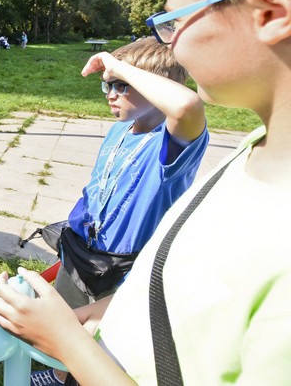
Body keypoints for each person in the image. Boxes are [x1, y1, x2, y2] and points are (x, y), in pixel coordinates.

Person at [0, 0, 291, 384]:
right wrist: (81, 322)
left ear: (270, 11)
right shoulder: (253, 155)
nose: (112, 90)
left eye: (172, 19)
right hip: (90, 272)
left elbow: (188, 108)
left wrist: (65, 342)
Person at [31, 37, 208, 385]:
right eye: (107, 85)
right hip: (81, 252)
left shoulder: (170, 144)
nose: (110, 93)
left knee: (101, 344)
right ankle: (57, 374)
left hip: (125, 269)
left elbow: (188, 107)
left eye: (122, 86)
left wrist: (120, 65)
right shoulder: (118, 130)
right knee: (66, 323)